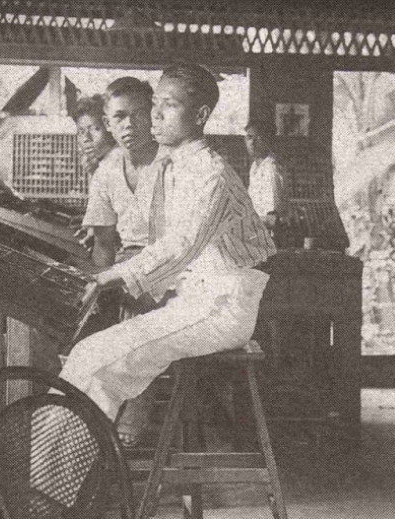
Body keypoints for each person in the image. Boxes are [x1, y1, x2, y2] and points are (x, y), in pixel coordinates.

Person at [60, 62, 275, 430]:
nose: (155, 115)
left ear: (200, 115)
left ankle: (59, 481)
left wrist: (111, 277)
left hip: (223, 308)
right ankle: (56, 478)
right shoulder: (173, 168)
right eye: (155, 103)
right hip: (195, 302)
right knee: (87, 356)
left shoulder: (212, 172)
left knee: (96, 360)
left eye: (169, 105)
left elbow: (181, 245)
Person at [80, 78, 160, 269]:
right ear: (107, 123)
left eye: (139, 114)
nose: (129, 124)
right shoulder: (106, 172)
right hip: (129, 268)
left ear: (153, 117)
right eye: (120, 116)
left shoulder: (178, 164)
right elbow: (103, 245)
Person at [244, 119, 285, 231]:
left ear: (268, 141)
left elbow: (272, 220)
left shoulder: (270, 168)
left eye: (258, 138)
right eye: (249, 137)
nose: (252, 143)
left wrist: (241, 221)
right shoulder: (255, 167)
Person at [72, 94, 115, 179]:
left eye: (95, 129)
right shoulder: (92, 163)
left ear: (108, 128)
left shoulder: (121, 159)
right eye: (81, 132)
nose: (86, 138)